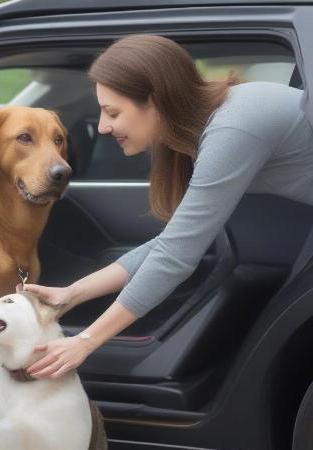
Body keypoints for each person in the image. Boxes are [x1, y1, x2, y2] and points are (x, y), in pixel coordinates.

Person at [25, 34, 313, 380]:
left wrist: (85, 341)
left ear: (156, 101)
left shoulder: (233, 127)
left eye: (112, 112)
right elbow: (172, 242)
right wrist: (71, 294)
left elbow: (176, 256)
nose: (102, 126)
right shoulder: (203, 132)